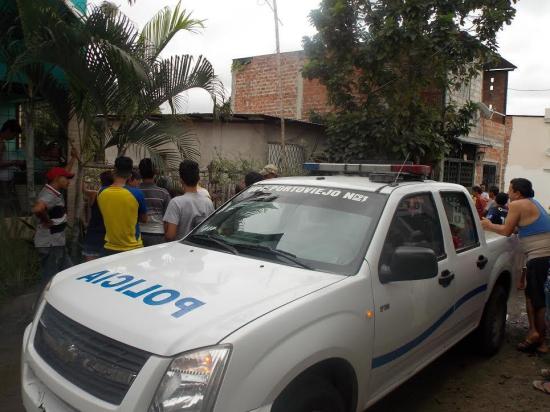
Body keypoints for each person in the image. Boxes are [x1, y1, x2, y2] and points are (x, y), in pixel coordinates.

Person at [481, 178, 550, 354]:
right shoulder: (531, 202)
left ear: (517, 193)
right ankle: (535, 333)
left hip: (539, 255)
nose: (508, 193)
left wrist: (488, 225)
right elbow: (523, 228)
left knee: (536, 298)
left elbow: (506, 230)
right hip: (542, 254)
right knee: (531, 295)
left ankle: (539, 338)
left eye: (510, 189)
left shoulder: (517, 205)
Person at [97, 156, 148, 255]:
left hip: (109, 247)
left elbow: (103, 213)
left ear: (114, 171)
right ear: (130, 175)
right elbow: (144, 219)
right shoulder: (137, 194)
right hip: (133, 248)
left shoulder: (101, 192)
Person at [32, 166, 74, 281]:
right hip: (50, 244)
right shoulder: (49, 194)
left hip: (56, 242)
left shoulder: (53, 192)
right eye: (66, 178)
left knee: (69, 272)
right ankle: (46, 298)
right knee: (51, 279)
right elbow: (38, 209)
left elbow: (61, 171)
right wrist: (47, 221)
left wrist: (73, 159)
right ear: (57, 179)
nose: (68, 182)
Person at [163, 160, 214, 241]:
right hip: (201, 249)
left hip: (181, 250)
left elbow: (170, 235)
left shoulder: (176, 203)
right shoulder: (208, 202)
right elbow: (210, 230)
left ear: (181, 180)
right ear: (198, 179)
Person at [81, 171, 114, 260]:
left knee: (90, 264)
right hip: (109, 233)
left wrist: (82, 176)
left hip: (94, 232)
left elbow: (83, 190)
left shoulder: (95, 194)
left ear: (101, 181)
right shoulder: (116, 195)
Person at [138, 158, 171, 246]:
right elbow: (168, 218)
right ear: (155, 172)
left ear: (140, 173)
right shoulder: (164, 193)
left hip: (137, 235)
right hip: (158, 235)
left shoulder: (134, 192)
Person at [0, 119, 24, 186]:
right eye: (14, 135)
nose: (14, 138)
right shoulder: (1, 143)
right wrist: (14, 162)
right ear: (8, 131)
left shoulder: (2, 141)